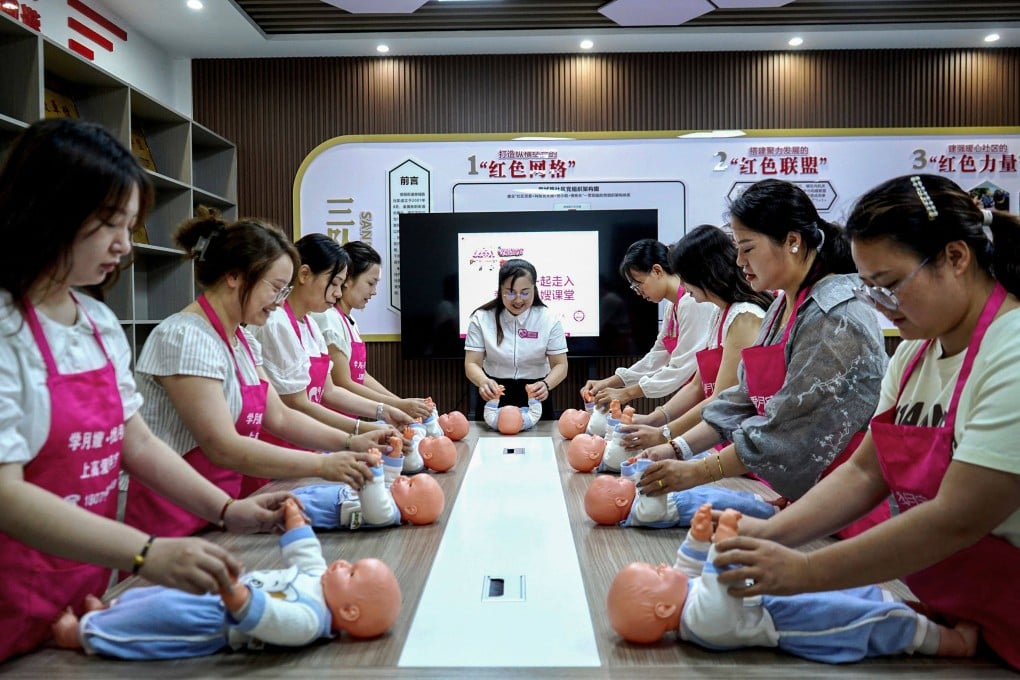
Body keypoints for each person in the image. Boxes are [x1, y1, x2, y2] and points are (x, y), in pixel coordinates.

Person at [0, 119, 293, 663]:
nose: (124, 245)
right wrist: (146, 552)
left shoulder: (97, 323)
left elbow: (135, 442)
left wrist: (228, 511)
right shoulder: (5, 327)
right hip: (11, 593)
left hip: (81, 589)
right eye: (109, 224)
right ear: (49, 210)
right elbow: (6, 493)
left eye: (130, 225)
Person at [713, 174, 1020, 671]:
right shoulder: (917, 355)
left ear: (956, 258)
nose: (881, 305)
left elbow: (957, 517)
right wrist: (767, 537)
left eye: (891, 284)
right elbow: (864, 473)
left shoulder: (1011, 353)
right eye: (870, 287)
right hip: (958, 618)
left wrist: (806, 571)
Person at [635, 180, 889, 538]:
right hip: (806, 501)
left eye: (748, 248)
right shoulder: (783, 305)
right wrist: (676, 448)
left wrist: (695, 471)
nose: (739, 262)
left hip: (849, 513)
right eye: (738, 249)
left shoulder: (835, 317)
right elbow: (740, 398)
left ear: (793, 241)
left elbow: (787, 428)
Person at [125, 211, 397, 539]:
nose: (280, 302)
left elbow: (279, 416)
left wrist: (351, 441)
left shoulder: (243, 340)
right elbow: (221, 446)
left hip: (223, 505)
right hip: (172, 514)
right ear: (235, 276)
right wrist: (324, 465)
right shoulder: (186, 337)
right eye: (277, 288)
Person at [607, 505, 978, 663]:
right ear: (664, 609)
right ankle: (951, 643)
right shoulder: (702, 622)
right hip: (797, 622)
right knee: (868, 622)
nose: (661, 565)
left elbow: (688, 568)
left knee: (862, 594)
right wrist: (723, 543)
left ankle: (924, 615)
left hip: (787, 592)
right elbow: (721, 584)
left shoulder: (684, 600)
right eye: (655, 574)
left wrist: (698, 538)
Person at [51, 499, 402, 659]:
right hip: (218, 594)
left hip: (212, 621)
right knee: (153, 596)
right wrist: (296, 522)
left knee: (154, 620)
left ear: (350, 612)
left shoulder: (310, 620)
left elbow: (270, 618)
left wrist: (235, 593)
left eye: (351, 572)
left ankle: (84, 634)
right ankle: (108, 612)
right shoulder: (317, 583)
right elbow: (307, 554)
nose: (341, 562)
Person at [246, 234, 412, 494]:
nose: (338, 292)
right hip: (279, 456)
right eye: (334, 283)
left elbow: (329, 391)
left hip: (308, 448)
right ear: (304, 275)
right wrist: (360, 431)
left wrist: (384, 412)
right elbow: (296, 403)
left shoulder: (311, 324)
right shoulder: (277, 323)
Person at [618, 225, 772, 450]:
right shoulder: (720, 314)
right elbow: (697, 387)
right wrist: (653, 420)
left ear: (705, 272)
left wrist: (664, 435)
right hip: (722, 437)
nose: (681, 284)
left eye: (684, 276)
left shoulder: (744, 317)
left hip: (744, 443)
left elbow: (721, 399)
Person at [581, 238, 718, 409]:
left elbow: (681, 367)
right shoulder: (672, 306)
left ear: (657, 271)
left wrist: (626, 393)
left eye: (638, 285)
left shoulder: (691, 303)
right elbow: (657, 356)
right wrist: (610, 382)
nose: (639, 293)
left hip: (710, 394)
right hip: (697, 393)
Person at [310, 240, 432, 421]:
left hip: (349, 418)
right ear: (348, 279)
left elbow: (361, 376)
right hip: (332, 421)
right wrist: (397, 406)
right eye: (370, 283)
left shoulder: (349, 320)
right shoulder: (328, 318)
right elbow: (342, 382)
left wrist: (400, 402)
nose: (374, 291)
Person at [464, 258, 567, 422]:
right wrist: (483, 381)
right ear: (500, 290)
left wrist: (546, 384)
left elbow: (561, 365)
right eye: (510, 292)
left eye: (525, 292)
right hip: (495, 392)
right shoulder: (482, 318)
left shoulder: (549, 319)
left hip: (535, 393)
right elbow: (472, 363)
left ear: (535, 288)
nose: (518, 299)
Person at [293, 448, 446, 529]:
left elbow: (374, 499)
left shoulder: (388, 514)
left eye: (410, 484)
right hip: (334, 494)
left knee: (292, 507)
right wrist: (394, 455)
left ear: (411, 509)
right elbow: (390, 477)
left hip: (329, 511)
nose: (403, 478)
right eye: (410, 478)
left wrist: (375, 469)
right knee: (294, 496)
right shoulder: (394, 495)